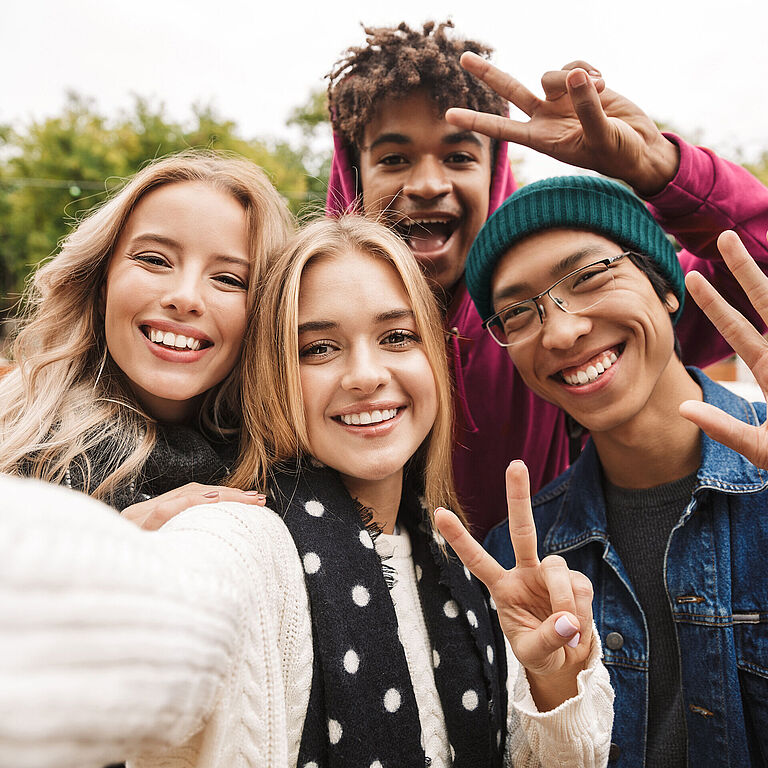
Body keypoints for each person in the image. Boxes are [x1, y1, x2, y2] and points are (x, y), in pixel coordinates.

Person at [0, 216, 614, 768]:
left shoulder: (459, 565)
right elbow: (156, 635)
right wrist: (103, 593)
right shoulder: (240, 534)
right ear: (272, 374)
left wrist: (550, 680)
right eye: (318, 348)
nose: (367, 375)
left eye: (397, 337)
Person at [325, 20, 768, 539]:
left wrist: (660, 168)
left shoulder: (573, 322)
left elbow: (753, 275)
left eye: (459, 157)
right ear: (353, 176)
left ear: (493, 176)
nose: (427, 183)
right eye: (394, 158)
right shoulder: (294, 321)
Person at [465, 175, 768, 765]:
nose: (562, 330)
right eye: (517, 313)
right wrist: (554, 693)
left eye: (588, 278)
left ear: (666, 289)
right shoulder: (517, 563)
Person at [0, 150, 293, 525]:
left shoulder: (294, 475)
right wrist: (115, 543)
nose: (186, 298)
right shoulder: (16, 446)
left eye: (229, 279)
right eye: (155, 260)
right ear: (102, 286)